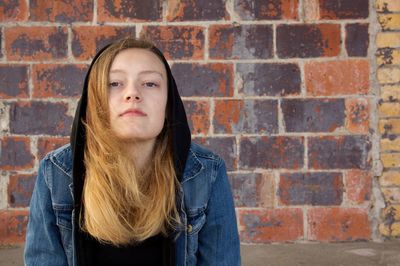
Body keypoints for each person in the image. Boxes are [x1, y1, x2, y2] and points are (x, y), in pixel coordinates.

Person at [24, 38, 241, 266]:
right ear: (95, 100)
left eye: (150, 83)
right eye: (114, 83)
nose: (132, 94)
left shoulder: (207, 171)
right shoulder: (56, 171)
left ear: (169, 104)